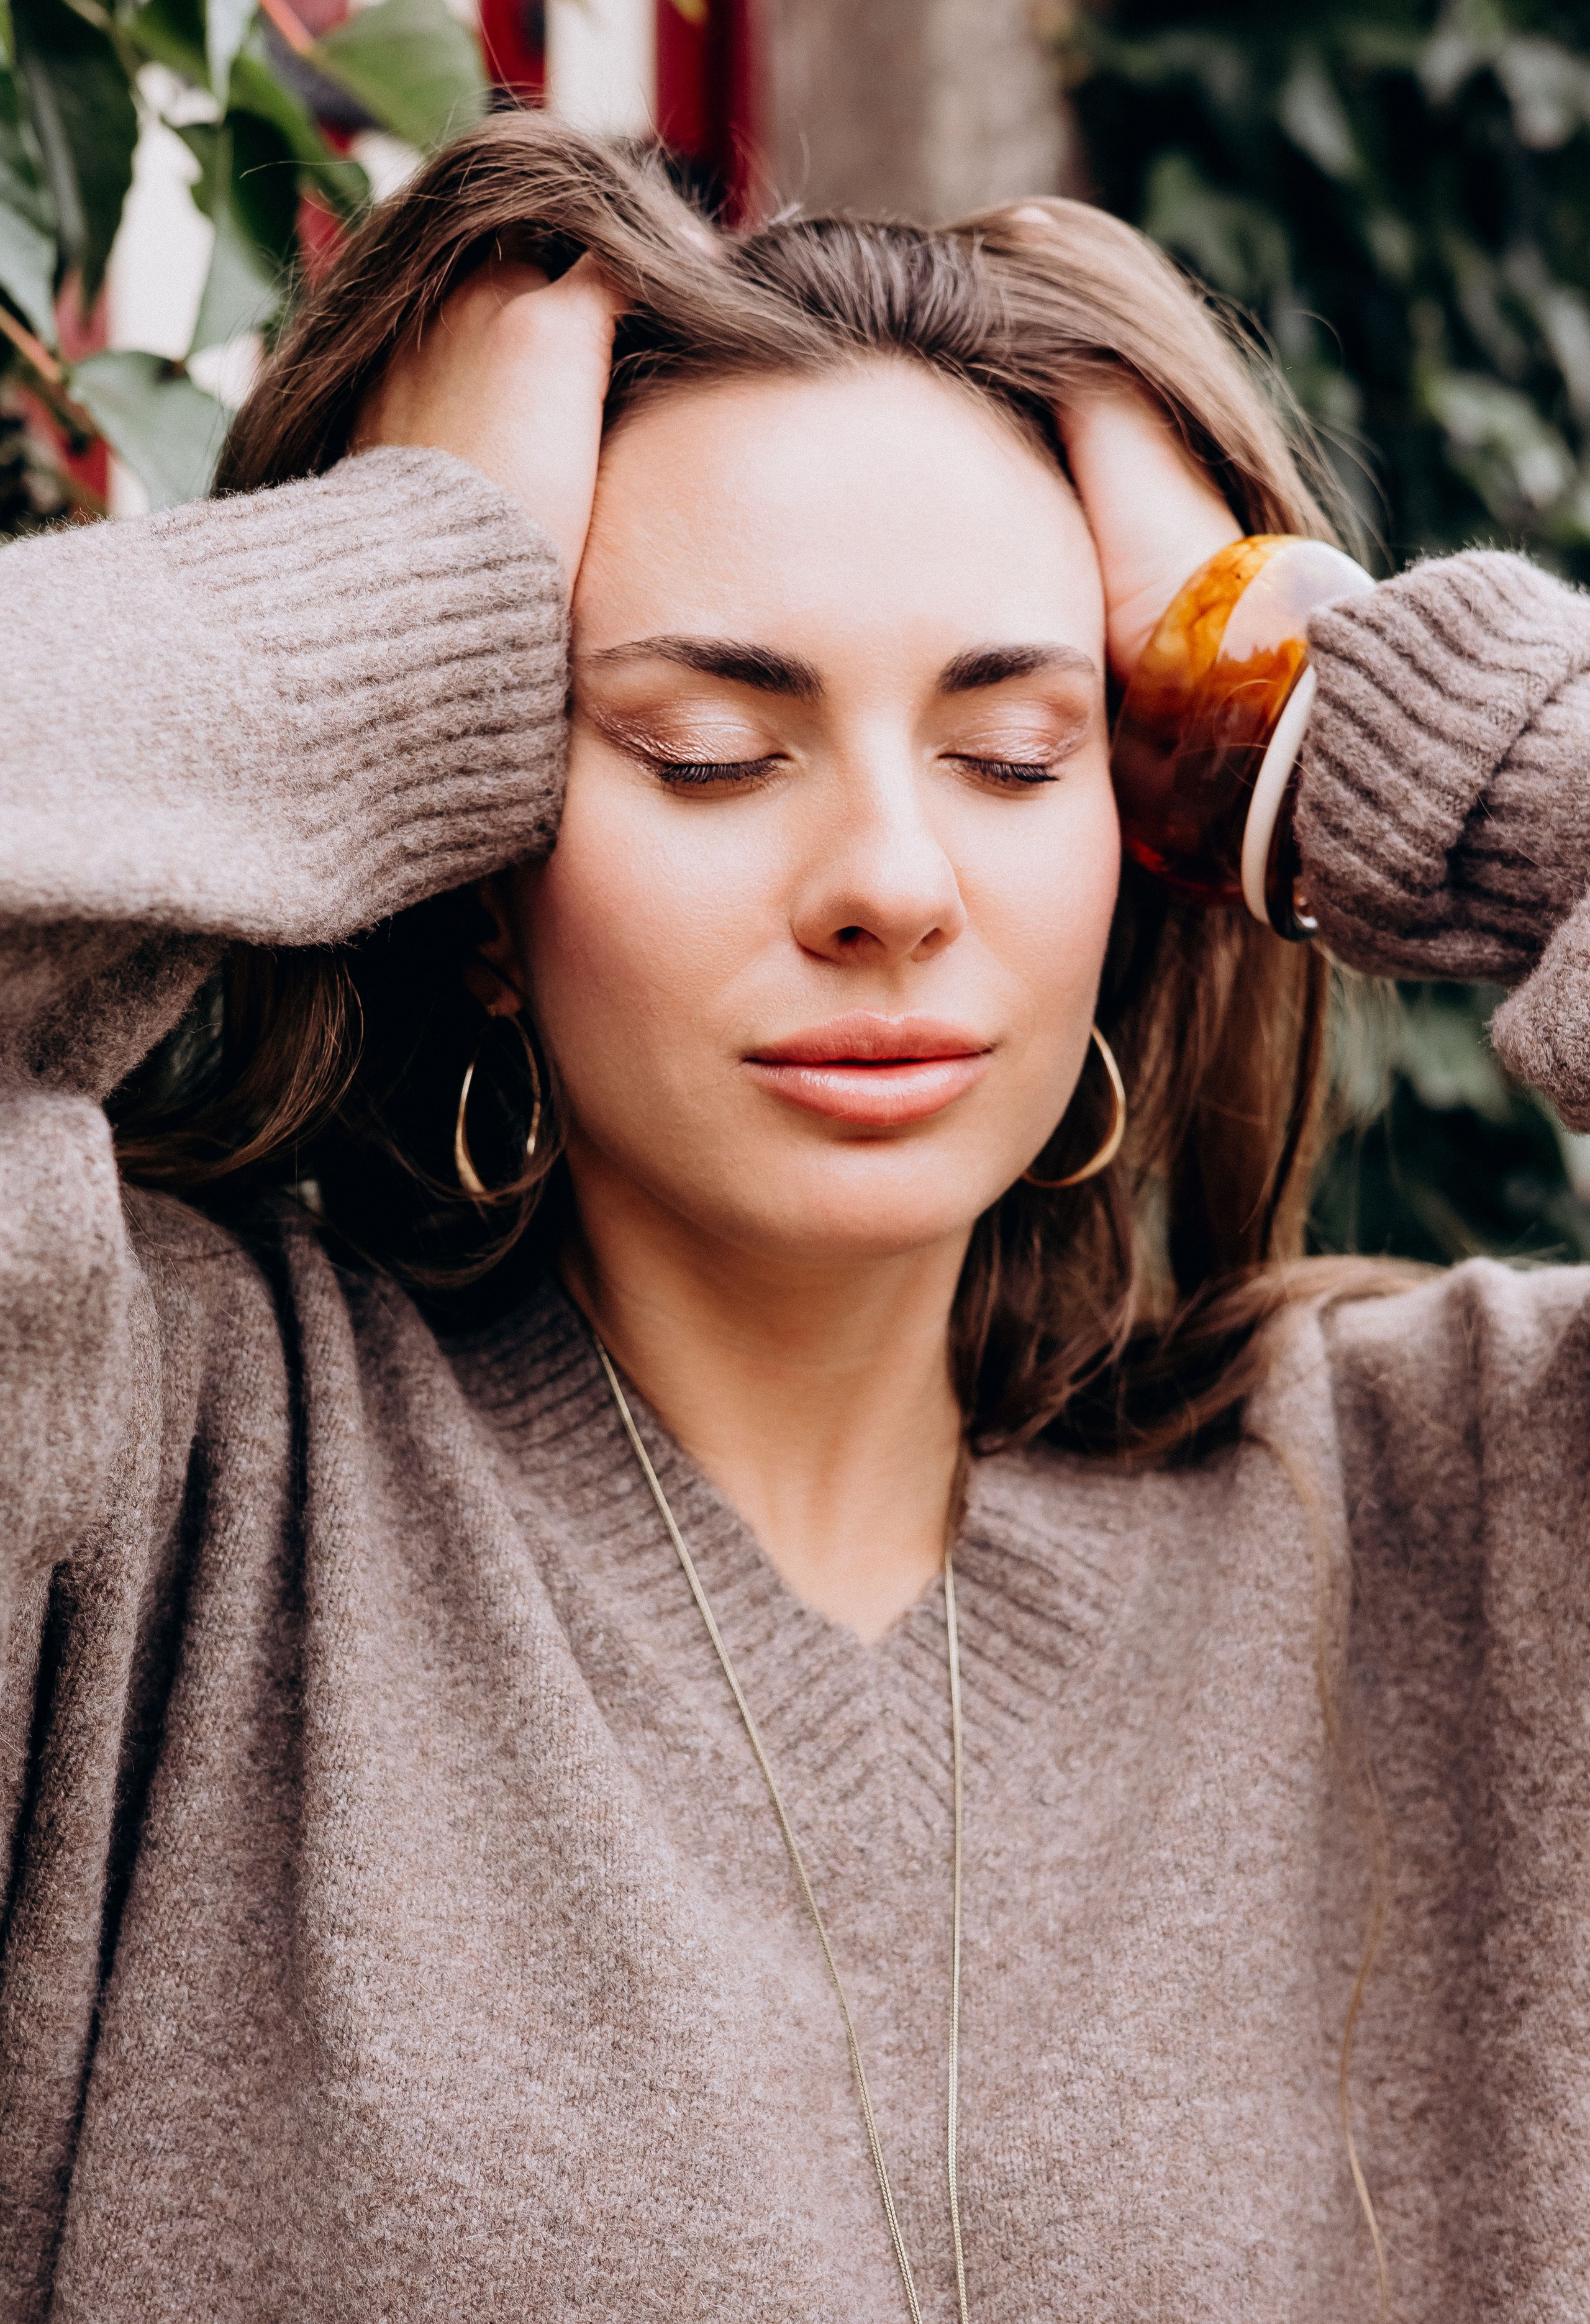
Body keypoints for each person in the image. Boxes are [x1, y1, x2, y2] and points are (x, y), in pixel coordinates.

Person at [3, 112, 1588, 2324]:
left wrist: (1333, 704)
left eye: (1015, 753)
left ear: (1155, 834)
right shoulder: (153, 1482)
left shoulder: (1461, 1528)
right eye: (709, 750)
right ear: (477, 856)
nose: (892, 887)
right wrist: (406, 592)